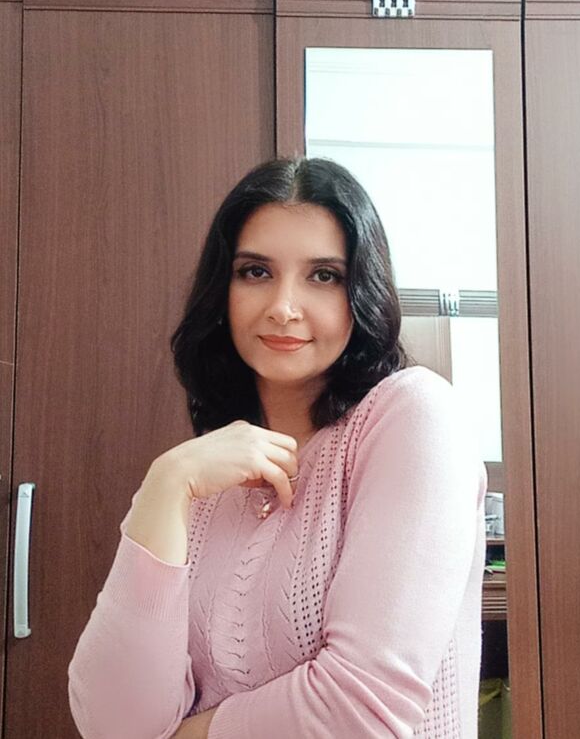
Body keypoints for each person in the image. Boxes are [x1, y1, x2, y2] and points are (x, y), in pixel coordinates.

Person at [68, 156, 488, 738]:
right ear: (223, 291)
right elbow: (114, 724)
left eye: (324, 276)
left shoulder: (413, 416)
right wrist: (165, 484)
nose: (284, 307)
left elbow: (360, 712)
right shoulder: (202, 479)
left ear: (360, 292)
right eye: (256, 272)